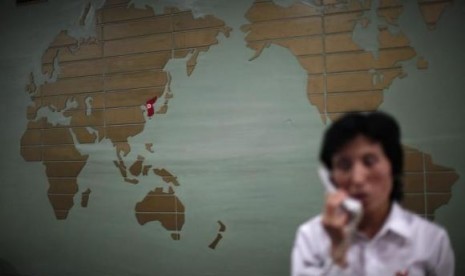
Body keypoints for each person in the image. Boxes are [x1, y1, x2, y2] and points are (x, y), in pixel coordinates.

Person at [291, 111, 455, 276]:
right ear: (330, 178)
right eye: (344, 165)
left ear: (393, 166)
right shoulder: (310, 238)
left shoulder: (431, 240)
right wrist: (337, 254)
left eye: (369, 161)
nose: (357, 179)